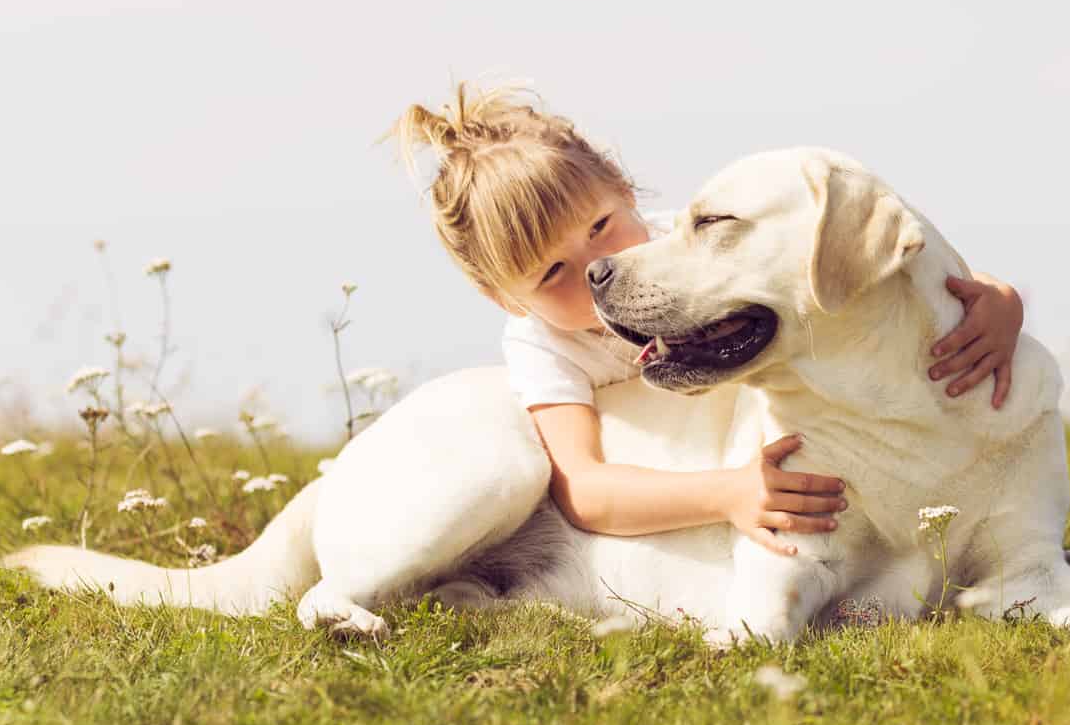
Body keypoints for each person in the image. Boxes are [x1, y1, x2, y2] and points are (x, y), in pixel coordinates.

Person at [392, 82, 1025, 556]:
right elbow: (583, 489)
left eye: (601, 227)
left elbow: (864, 268)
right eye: (552, 274)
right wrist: (726, 493)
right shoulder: (543, 346)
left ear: (626, 189)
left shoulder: (687, 255)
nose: (597, 267)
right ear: (504, 298)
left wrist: (999, 301)